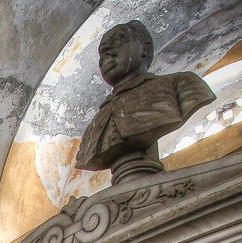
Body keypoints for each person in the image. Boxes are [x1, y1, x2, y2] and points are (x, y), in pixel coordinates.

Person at [75, 20, 215, 182]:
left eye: (118, 39)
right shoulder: (92, 127)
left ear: (145, 49)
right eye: (102, 51)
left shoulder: (182, 85)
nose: (106, 51)